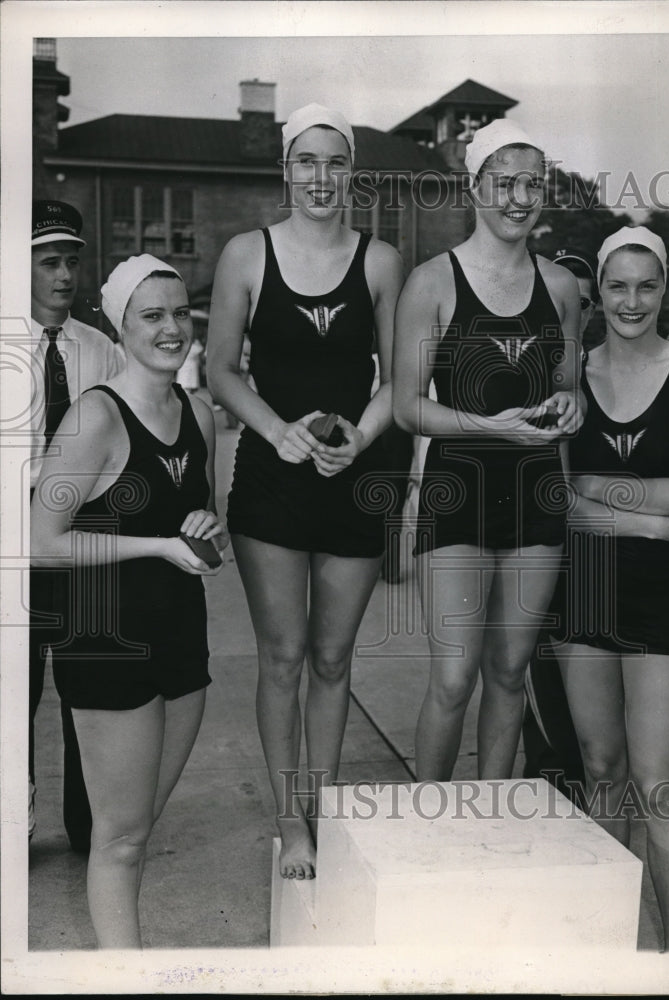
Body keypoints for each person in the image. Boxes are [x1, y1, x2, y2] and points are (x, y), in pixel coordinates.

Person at [207, 103, 403, 880]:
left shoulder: (382, 262)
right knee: (283, 657)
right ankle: (290, 824)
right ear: (285, 169)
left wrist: (359, 434)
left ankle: (323, 809)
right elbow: (221, 368)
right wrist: (277, 427)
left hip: (352, 480)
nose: (320, 178)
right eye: (306, 162)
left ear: (350, 172)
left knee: (331, 658)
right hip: (270, 480)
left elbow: (398, 380)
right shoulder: (245, 255)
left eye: (334, 163)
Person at [31, 254, 227, 948]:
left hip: (181, 643)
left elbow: (204, 522)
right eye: (152, 315)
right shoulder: (95, 416)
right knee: (116, 842)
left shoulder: (198, 411)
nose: (172, 328)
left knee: (138, 834)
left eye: (180, 312)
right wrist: (154, 546)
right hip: (105, 644)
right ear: (120, 326)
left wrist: (205, 531)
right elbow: (41, 541)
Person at [393, 119, 584, 782]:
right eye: (503, 181)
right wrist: (490, 427)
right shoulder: (431, 282)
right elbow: (405, 405)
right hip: (458, 493)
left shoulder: (559, 287)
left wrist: (569, 406)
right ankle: (428, 816)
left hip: (536, 495)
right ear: (474, 188)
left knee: (509, 670)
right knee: (453, 676)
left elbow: (569, 389)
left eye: (531, 183)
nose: (517, 196)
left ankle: (491, 816)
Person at [551, 226, 669, 951]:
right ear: (597, 290)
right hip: (585, 585)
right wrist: (650, 521)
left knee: (656, 782)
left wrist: (599, 492)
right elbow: (556, 501)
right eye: (616, 286)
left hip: (663, 593)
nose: (630, 301)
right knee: (599, 769)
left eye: (645, 285)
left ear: (664, 290)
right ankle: (607, 944)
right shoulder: (570, 377)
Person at [28, 200, 120, 850]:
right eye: (48, 262)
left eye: (71, 261)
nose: (64, 275)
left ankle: (89, 828)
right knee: (14, 691)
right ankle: (16, 821)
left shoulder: (103, 353)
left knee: (85, 687)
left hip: (82, 534)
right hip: (15, 542)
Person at [522, 247, 600, 798]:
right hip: (539, 538)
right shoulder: (525, 381)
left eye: (583, 300)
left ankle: (593, 778)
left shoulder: (616, 375)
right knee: (535, 663)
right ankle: (549, 775)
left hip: (601, 547)